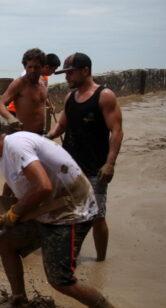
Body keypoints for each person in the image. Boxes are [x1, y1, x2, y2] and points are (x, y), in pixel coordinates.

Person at [0, 116, 143, 308]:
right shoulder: (6, 157)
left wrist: (13, 216)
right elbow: (23, 192)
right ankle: (18, 298)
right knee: (5, 240)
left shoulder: (15, 144)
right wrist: (0, 222)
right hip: (48, 212)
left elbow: (44, 186)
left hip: (71, 211)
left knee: (61, 279)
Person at [47, 52, 123, 262]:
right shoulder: (70, 97)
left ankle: (100, 260)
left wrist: (110, 164)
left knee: (97, 216)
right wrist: (47, 138)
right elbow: (62, 125)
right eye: (65, 73)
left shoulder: (104, 96)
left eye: (70, 73)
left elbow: (116, 131)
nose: (66, 78)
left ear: (85, 71)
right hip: (70, 167)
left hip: (95, 168)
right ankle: (71, 253)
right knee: (68, 212)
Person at [0, 48, 50, 135]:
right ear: (25, 67)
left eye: (36, 67)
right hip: (23, 134)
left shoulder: (42, 83)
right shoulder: (19, 83)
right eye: (30, 67)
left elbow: (41, 100)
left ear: (42, 67)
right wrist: (11, 118)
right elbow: (0, 105)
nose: (32, 70)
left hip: (40, 133)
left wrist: (50, 105)